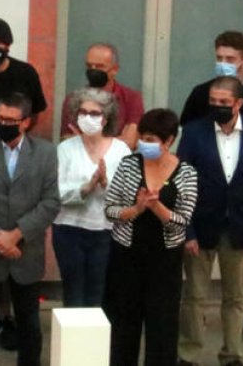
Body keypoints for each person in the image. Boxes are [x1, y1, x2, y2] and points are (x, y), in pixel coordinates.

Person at [178, 31, 243, 346]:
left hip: (241, 223)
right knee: (194, 296)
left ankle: (232, 351)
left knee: (236, 296)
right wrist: (187, 230)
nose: (223, 63)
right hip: (203, 220)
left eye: (230, 59)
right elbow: (183, 176)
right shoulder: (197, 119)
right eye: (219, 58)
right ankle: (190, 350)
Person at [0, 92, 59, 366]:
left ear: (26, 122)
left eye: (10, 119)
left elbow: (51, 202)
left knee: (30, 325)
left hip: (26, 252)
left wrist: (15, 235)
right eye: (0, 117)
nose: (3, 123)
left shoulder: (46, 153)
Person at [103, 109, 197, 366]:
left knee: (162, 327)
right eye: (142, 138)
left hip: (164, 262)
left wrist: (157, 207)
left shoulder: (187, 173)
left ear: (168, 141)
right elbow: (110, 209)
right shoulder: (128, 165)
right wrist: (136, 209)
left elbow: (182, 222)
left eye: (152, 139)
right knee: (123, 325)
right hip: (127, 257)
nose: (145, 143)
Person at [53, 88, 132, 308]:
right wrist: (86, 188)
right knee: (73, 292)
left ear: (106, 118)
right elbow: (56, 191)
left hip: (106, 232)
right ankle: (73, 343)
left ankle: (96, 343)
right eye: (83, 112)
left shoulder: (121, 150)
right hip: (69, 230)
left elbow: (127, 195)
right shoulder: (66, 148)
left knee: (98, 294)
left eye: (95, 113)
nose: (87, 117)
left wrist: (105, 183)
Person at [60, 43, 144, 145]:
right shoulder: (73, 99)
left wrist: (85, 140)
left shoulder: (132, 98)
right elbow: (67, 140)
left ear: (114, 70)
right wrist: (116, 141)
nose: (94, 70)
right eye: (89, 66)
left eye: (100, 66)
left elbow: (130, 142)